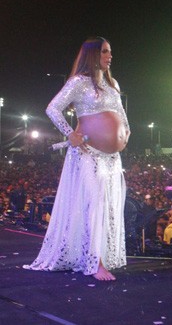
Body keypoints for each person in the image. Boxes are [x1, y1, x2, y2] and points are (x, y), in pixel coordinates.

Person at [24, 37, 130, 281]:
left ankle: (100, 256)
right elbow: (52, 108)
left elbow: (120, 112)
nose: (109, 56)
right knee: (93, 204)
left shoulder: (112, 83)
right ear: (92, 55)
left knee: (107, 206)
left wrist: (126, 130)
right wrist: (70, 134)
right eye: (105, 51)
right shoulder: (79, 83)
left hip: (112, 157)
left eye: (110, 52)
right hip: (87, 153)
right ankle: (96, 262)